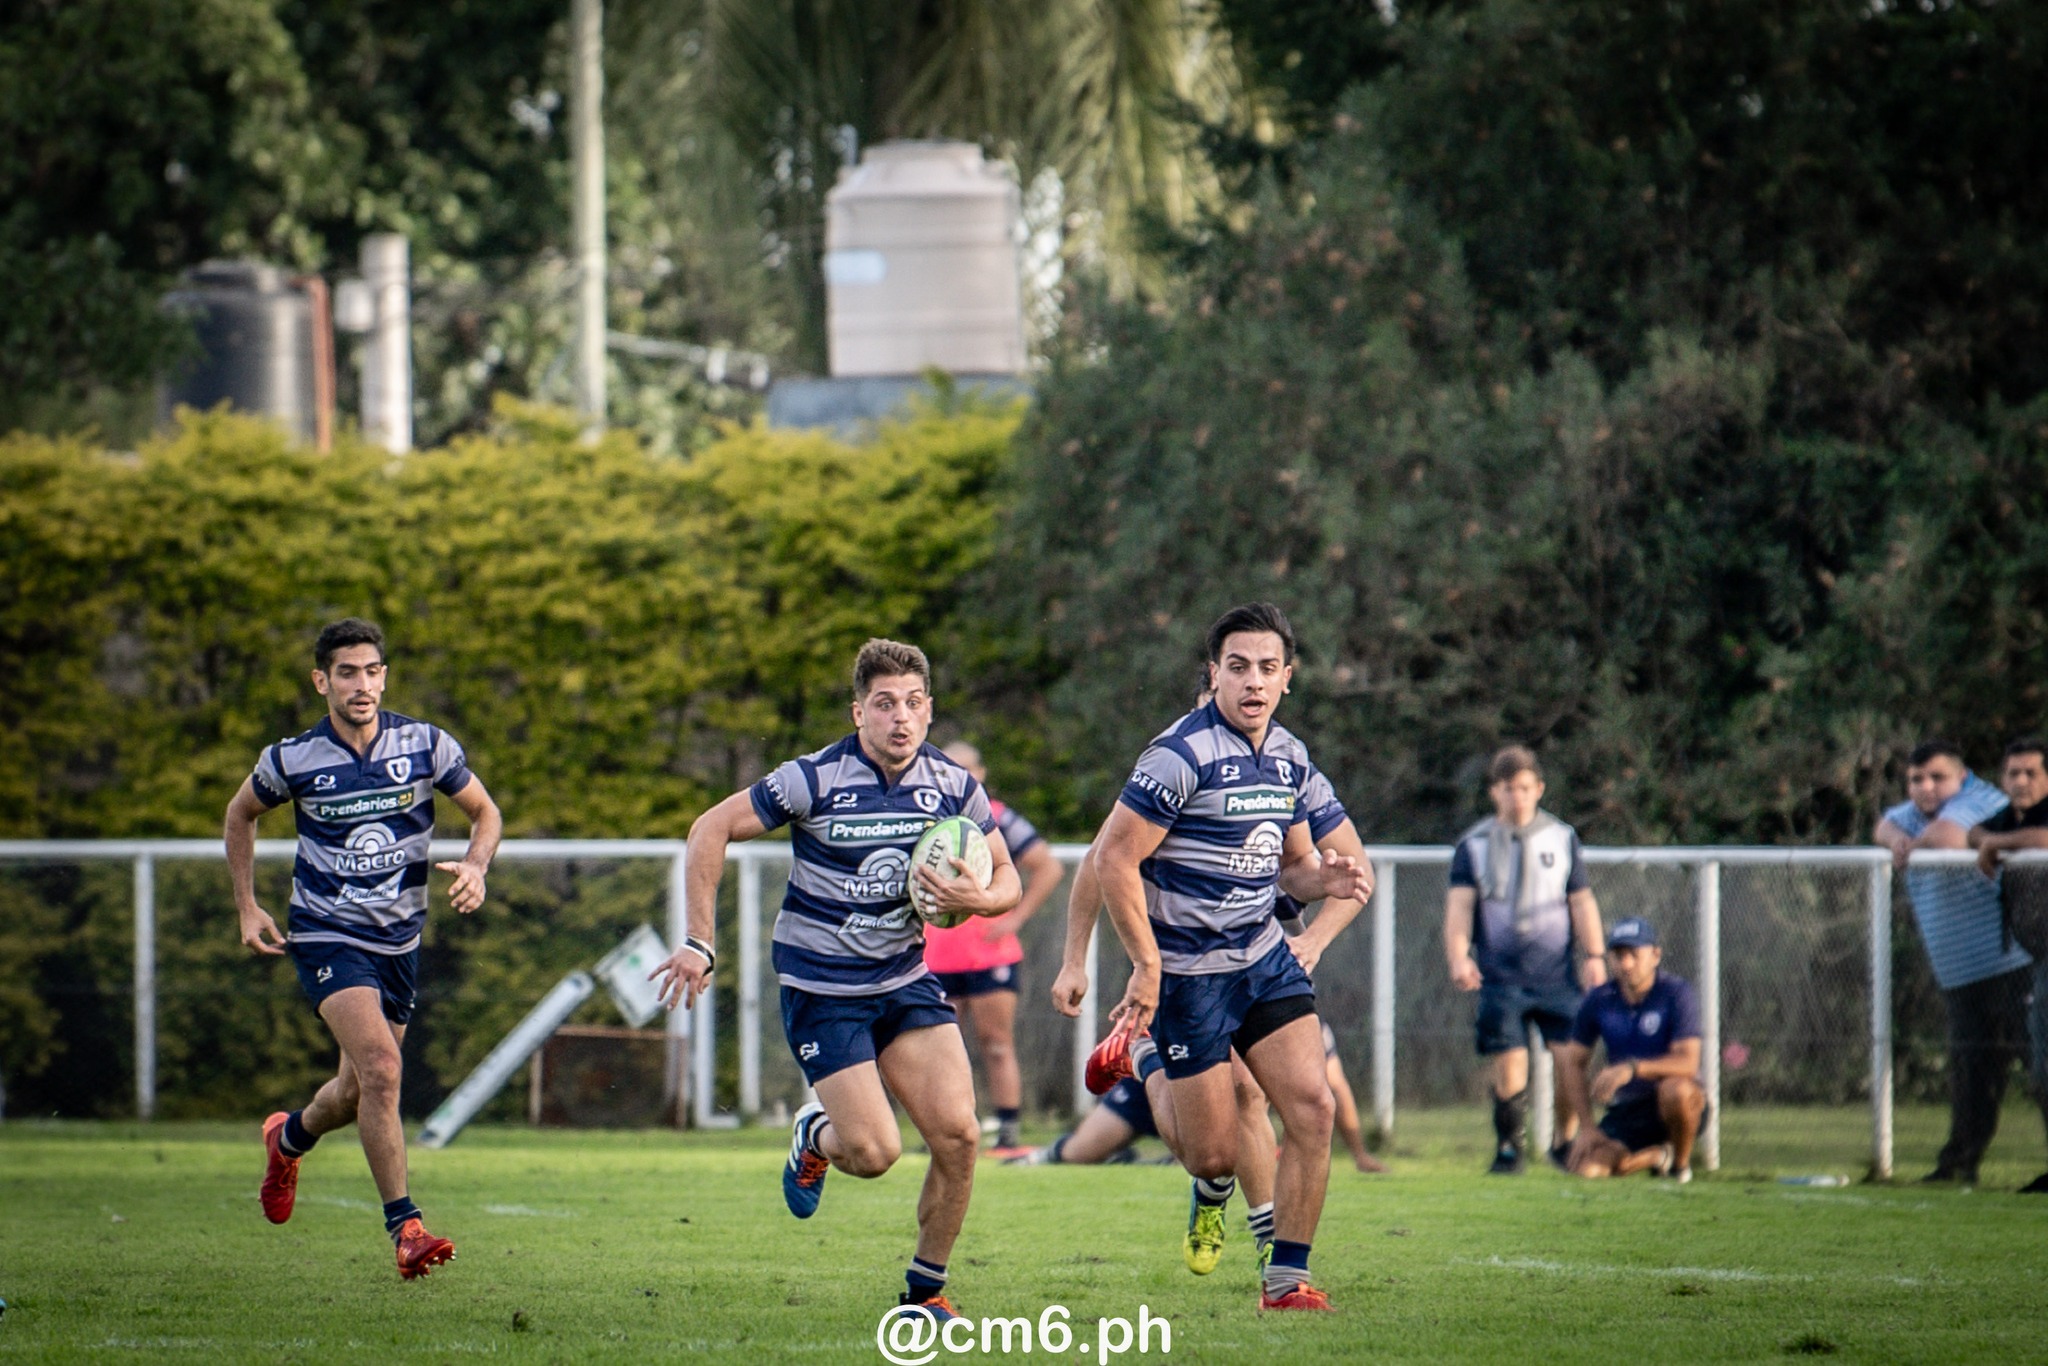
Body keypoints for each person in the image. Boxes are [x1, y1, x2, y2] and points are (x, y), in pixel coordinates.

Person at [648, 638, 1021, 1324]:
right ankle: (816, 1136)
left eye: (912, 704)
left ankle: (924, 1295)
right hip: (822, 989)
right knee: (875, 1153)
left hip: (904, 980)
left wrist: (979, 898)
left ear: (930, 711)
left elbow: (1009, 878)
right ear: (859, 713)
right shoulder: (813, 779)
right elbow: (709, 829)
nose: (899, 719)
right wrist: (699, 941)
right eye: (884, 705)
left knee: (960, 1137)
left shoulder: (954, 787)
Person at [1084, 603, 1371, 1311]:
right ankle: (1149, 1058)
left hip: (1262, 957)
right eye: (1238, 666)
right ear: (1213, 673)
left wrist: (1323, 882)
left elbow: (1296, 867)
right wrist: (1146, 966)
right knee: (1211, 1156)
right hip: (1188, 976)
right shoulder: (1178, 756)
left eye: (1267, 668)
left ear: (1287, 679)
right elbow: (1113, 860)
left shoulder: (1289, 757)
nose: (1253, 681)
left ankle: (1285, 1281)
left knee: (1312, 1108)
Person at [226, 618, 502, 1280]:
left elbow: (485, 813)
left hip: (399, 940)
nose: (362, 684)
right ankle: (406, 1228)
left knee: (354, 1093)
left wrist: (476, 866)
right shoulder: (291, 758)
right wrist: (246, 905)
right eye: (347, 672)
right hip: (325, 933)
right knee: (382, 1067)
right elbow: (240, 816)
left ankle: (287, 1138)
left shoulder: (425, 745)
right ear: (322, 680)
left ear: (385, 676)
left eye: (372, 670)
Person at [1875, 739, 2034, 1185]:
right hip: (1960, 975)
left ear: (1961, 777)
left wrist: (1911, 843)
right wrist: (1896, 838)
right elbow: (1884, 826)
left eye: (1937, 778)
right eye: (1916, 779)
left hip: (2011, 963)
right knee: (1970, 1073)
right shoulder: (1911, 815)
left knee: (2039, 1068)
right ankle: (1958, 1164)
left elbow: (1948, 839)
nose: (1926, 788)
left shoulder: (1982, 799)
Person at [1443, 746, 1607, 1174]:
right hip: (1501, 976)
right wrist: (1459, 956)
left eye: (1525, 788)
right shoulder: (1473, 845)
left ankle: (1564, 1143)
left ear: (1539, 789)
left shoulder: (1562, 837)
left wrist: (1595, 955)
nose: (1517, 797)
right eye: (1508, 788)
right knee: (1511, 1062)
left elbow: (1581, 902)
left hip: (1557, 976)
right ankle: (1509, 1149)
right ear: (1494, 791)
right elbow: (1459, 908)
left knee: (1571, 1059)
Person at [923, 740, 1066, 1154]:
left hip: (990, 953)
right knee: (938, 1046)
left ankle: (1007, 1132)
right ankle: (943, 1132)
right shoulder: (927, 816)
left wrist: (1015, 918)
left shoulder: (998, 818)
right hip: (936, 955)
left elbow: (1048, 866)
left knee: (996, 1042)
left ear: (981, 775)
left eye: (967, 769)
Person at [1961, 737, 2048, 1193]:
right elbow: (1972, 833)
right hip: (2039, 958)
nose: (2021, 781)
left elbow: (2044, 838)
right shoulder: (2009, 819)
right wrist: (1989, 839)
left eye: (2031, 772)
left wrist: (1996, 842)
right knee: (2042, 1069)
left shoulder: (2034, 821)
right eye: (2013, 773)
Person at [1557, 918, 1706, 1182]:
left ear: (1655, 955)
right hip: (1628, 1110)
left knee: (1677, 1091)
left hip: (1671, 1105)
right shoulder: (1600, 999)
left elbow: (1688, 1062)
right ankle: (1658, 1156)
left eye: (1634, 955)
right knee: (1588, 1171)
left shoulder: (1675, 994)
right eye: (1618, 955)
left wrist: (1632, 1068)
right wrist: (1588, 1127)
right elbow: (1573, 1062)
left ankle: (1679, 1168)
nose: (1625, 964)